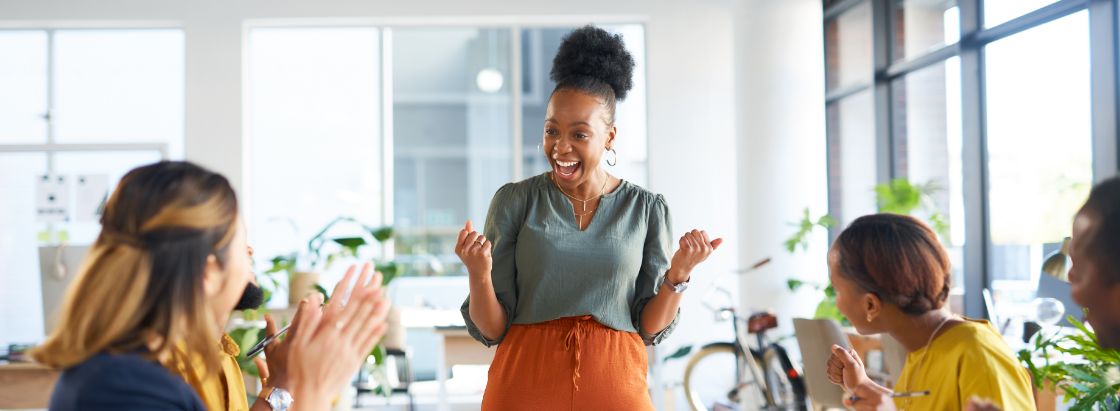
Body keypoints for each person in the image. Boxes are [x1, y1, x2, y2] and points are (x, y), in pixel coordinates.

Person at [457, 25, 722, 410]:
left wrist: (678, 275)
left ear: (610, 137)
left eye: (579, 135)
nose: (560, 147)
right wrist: (478, 273)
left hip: (617, 387)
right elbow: (492, 328)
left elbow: (649, 327)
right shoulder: (515, 200)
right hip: (523, 387)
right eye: (552, 131)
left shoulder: (646, 209)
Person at [30, 161, 391, 411]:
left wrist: (286, 384)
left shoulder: (133, 371)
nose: (252, 254)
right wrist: (312, 386)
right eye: (240, 244)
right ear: (206, 271)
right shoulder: (125, 388)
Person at [824, 214, 1033, 410]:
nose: (837, 304)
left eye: (837, 290)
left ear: (871, 305)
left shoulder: (977, 355)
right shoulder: (924, 349)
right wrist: (863, 386)